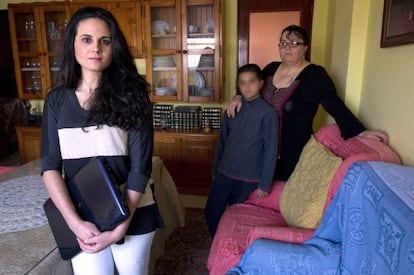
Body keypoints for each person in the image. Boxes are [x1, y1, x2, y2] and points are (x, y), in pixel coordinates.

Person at [41, 7, 163, 275]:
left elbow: (140, 170)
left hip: (133, 212)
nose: (95, 48)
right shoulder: (56, 101)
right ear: (72, 44)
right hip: (83, 216)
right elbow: (50, 167)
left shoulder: (134, 97)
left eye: (104, 41)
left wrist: (121, 225)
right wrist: (75, 224)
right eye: (86, 39)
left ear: (113, 46)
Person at [226, 25, 389, 182]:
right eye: (283, 43)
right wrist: (238, 96)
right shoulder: (270, 69)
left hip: (293, 151)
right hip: (260, 145)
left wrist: (360, 131)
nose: (287, 48)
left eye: (294, 43)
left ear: (305, 48)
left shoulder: (315, 75)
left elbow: (334, 104)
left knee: (283, 194)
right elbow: (250, 86)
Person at [205, 64, 279, 237]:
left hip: (249, 178)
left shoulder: (268, 114)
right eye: (242, 83)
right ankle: (219, 244)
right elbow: (222, 141)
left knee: (235, 218)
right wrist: (215, 169)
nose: (247, 87)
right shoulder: (232, 108)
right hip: (225, 172)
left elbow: (271, 149)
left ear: (261, 83)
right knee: (211, 213)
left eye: (251, 81)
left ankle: (228, 247)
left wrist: (265, 183)